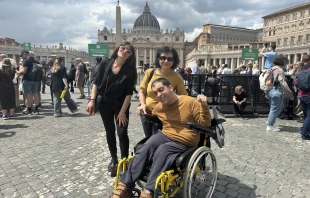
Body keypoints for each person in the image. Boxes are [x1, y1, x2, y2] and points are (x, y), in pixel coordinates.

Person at [111, 78, 211, 198]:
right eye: (155, 93)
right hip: (165, 135)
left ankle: (148, 191)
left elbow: (205, 124)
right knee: (146, 145)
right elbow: (153, 113)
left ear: (170, 88)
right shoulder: (160, 107)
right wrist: (144, 108)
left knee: (163, 149)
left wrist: (204, 106)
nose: (159, 94)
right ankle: (125, 185)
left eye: (161, 90)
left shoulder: (189, 101)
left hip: (184, 140)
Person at [86, 42, 137, 177]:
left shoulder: (130, 70)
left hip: (121, 105)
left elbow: (128, 93)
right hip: (105, 104)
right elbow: (96, 83)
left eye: (128, 51)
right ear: (117, 49)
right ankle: (114, 159)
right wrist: (92, 100)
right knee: (109, 131)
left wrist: (121, 112)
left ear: (130, 56)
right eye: (123, 48)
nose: (124, 51)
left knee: (122, 132)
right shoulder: (105, 63)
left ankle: (124, 162)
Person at [136, 46, 188, 138]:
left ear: (174, 61)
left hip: (165, 116)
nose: (166, 61)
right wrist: (142, 104)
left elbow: (183, 97)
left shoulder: (177, 77)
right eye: (163, 58)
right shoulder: (150, 72)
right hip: (147, 113)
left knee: (159, 140)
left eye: (170, 59)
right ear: (158, 59)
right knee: (148, 138)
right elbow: (142, 91)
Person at [265, 54, 294, 131]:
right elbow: (283, 83)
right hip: (276, 91)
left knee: (279, 106)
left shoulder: (271, 68)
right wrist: (290, 94)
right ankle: (270, 125)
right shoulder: (280, 70)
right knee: (275, 108)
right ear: (283, 62)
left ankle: (270, 119)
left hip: (269, 90)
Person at [16, 50, 40, 115]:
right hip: (35, 79)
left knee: (28, 95)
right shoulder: (36, 61)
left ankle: (29, 109)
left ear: (25, 54)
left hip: (27, 79)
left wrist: (17, 72)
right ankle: (36, 109)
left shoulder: (26, 61)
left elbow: (23, 71)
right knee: (35, 94)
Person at [297, 55, 310, 140]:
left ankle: (303, 130)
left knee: (306, 115)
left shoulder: (302, 70)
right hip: (309, 95)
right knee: (309, 116)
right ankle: (305, 134)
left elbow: (295, 83)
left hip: (301, 95)